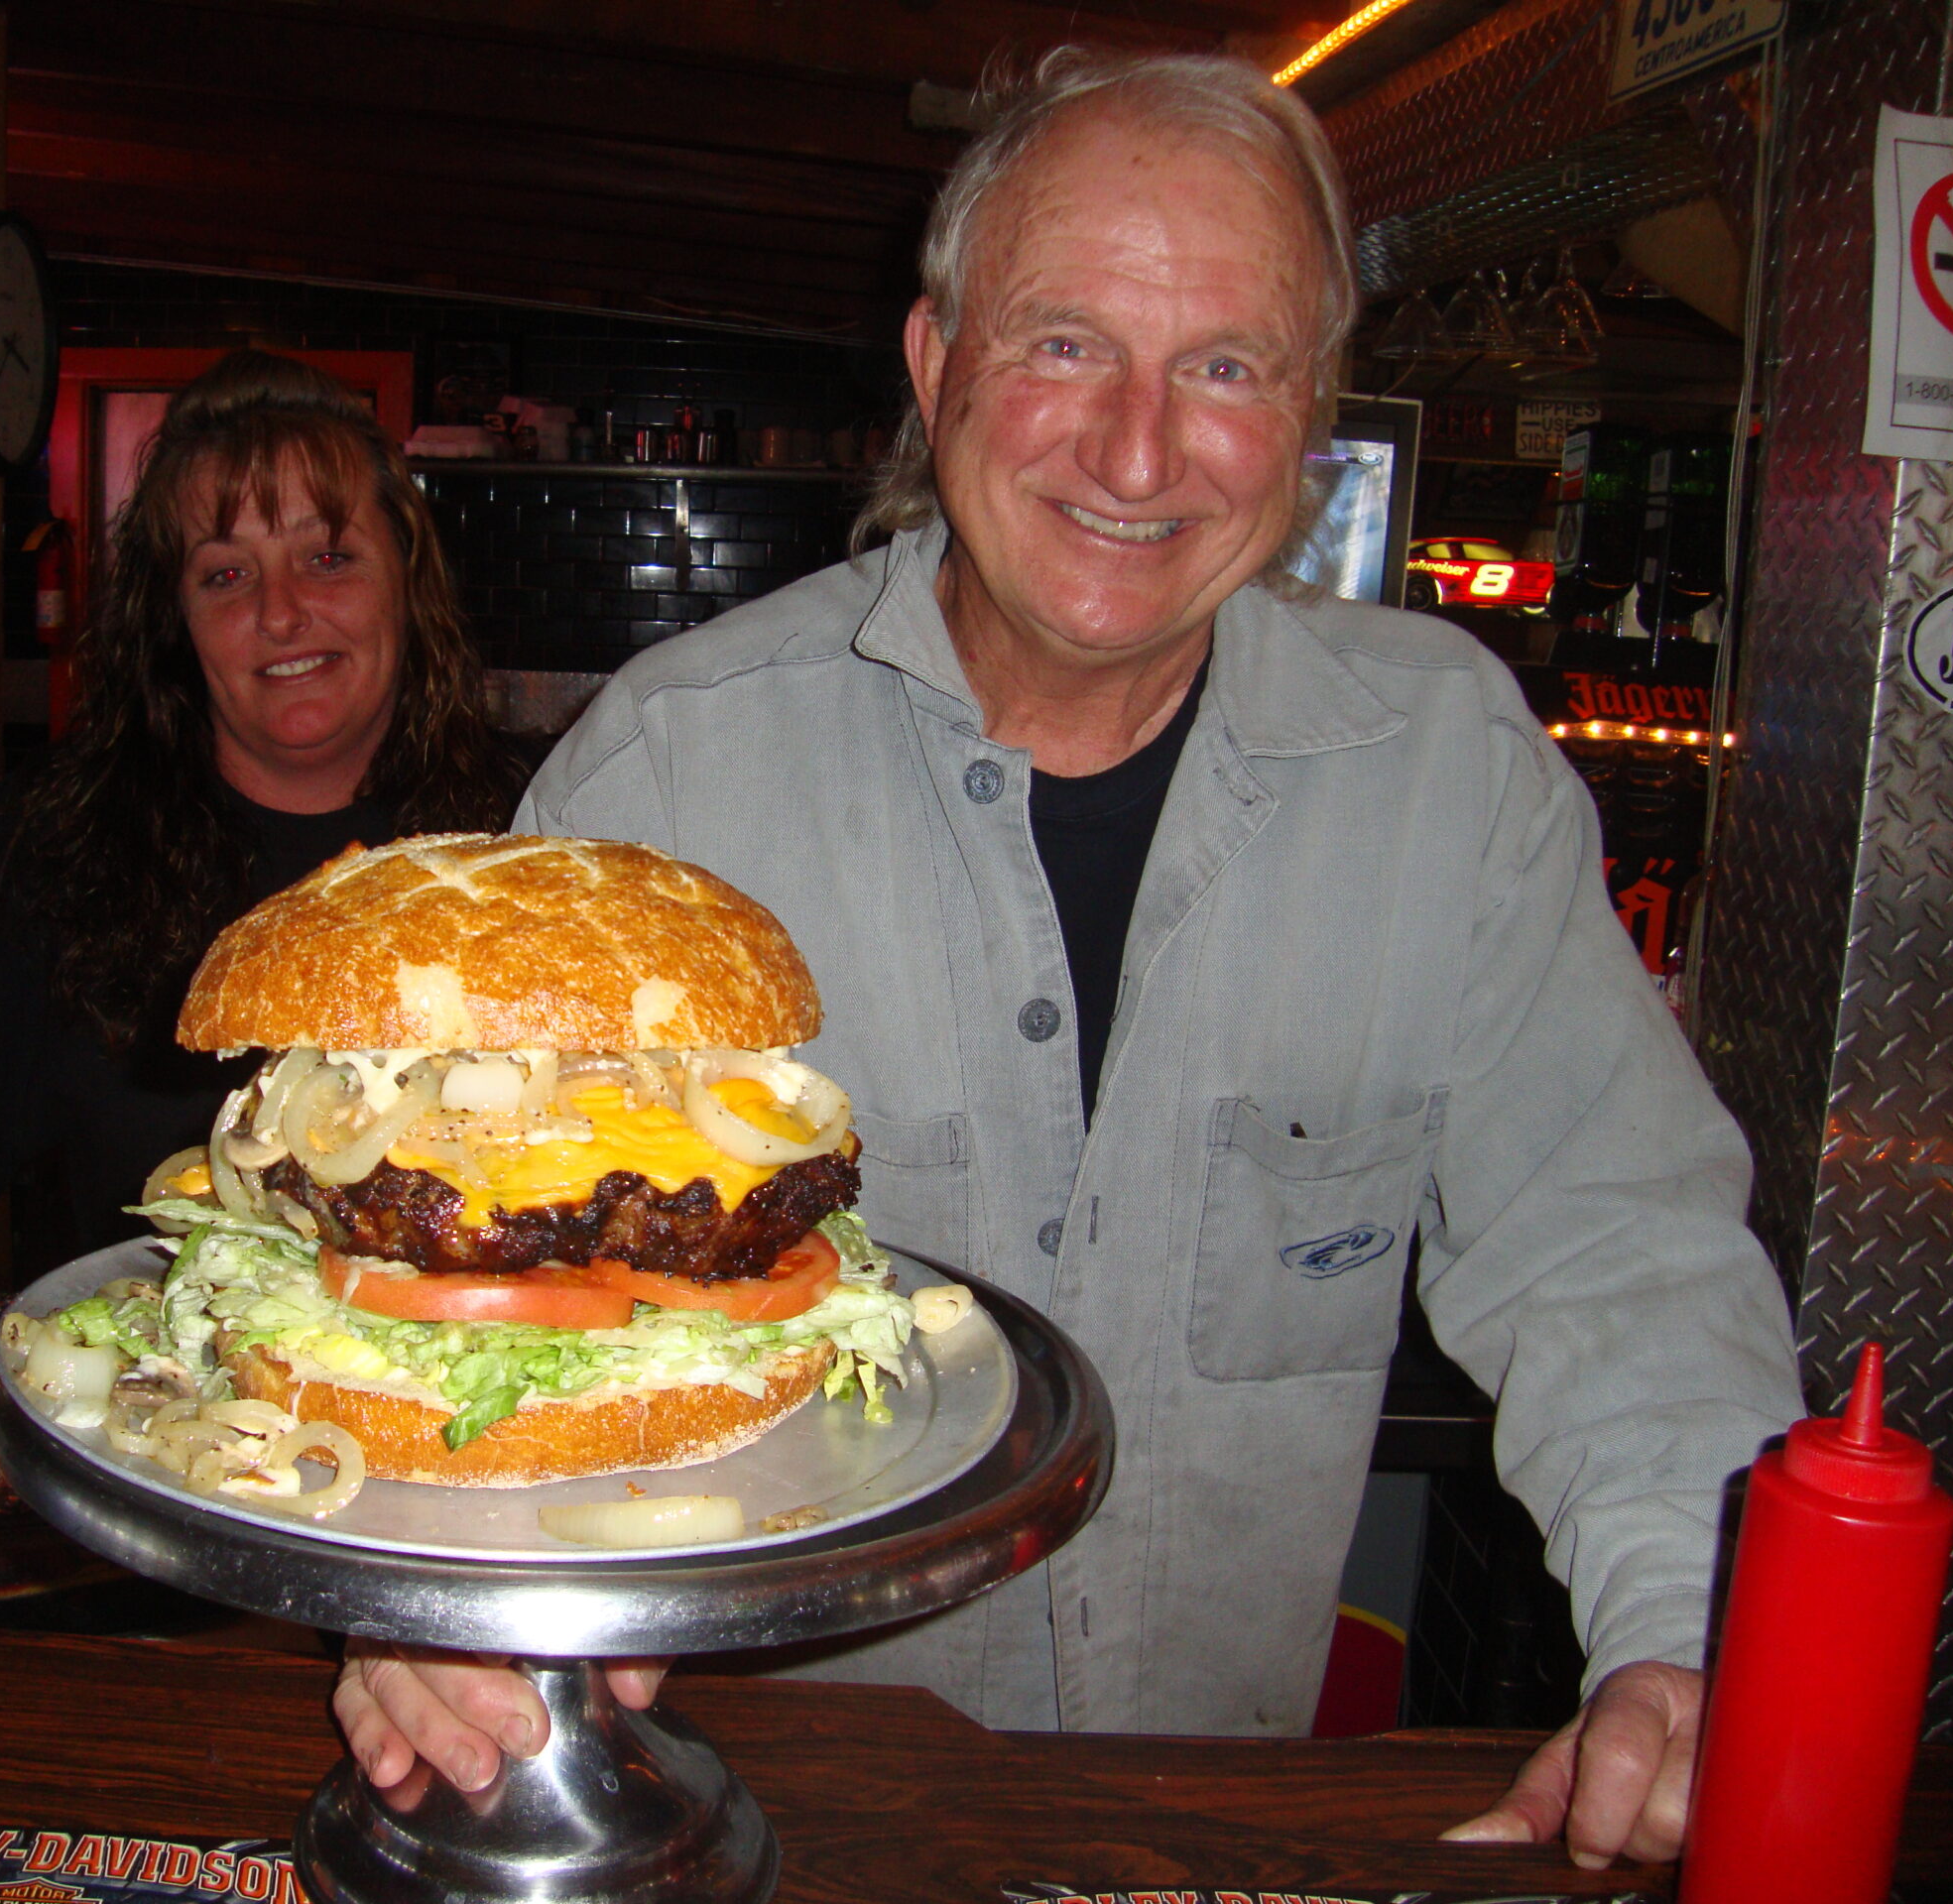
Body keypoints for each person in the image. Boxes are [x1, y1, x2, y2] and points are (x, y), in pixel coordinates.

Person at [330, 50, 1802, 1871]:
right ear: (938, 364)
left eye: (1226, 368)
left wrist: (1690, 1629)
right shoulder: (668, 777)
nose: (1136, 450)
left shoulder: (1453, 778)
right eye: (1064, 344)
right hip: (766, 1836)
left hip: (1208, 1833)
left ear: (1314, 411)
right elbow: (433, 1264)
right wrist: (422, 1593)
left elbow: (1622, 1251)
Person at [0, 350, 529, 1322]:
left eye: (327, 558)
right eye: (226, 573)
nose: (280, 614)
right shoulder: (47, 855)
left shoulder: (529, 847)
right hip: (161, 1429)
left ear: (406, 582)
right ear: (173, 621)